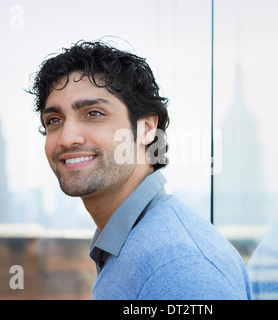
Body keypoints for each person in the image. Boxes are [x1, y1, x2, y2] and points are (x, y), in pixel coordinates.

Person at [27, 40, 252, 300]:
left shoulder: (178, 266)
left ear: (146, 129)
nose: (67, 138)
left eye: (94, 113)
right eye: (54, 120)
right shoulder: (132, 242)